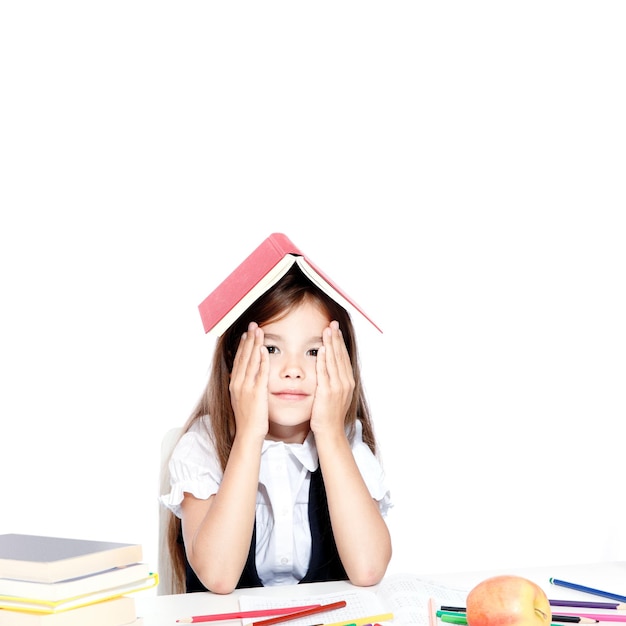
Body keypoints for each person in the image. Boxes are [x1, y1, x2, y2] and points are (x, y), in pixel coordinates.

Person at [160, 264, 392, 594]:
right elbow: (218, 576)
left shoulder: (348, 444)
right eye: (271, 349)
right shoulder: (203, 446)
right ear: (233, 358)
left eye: (314, 352)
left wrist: (329, 434)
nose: (293, 370)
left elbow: (368, 568)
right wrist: (249, 433)